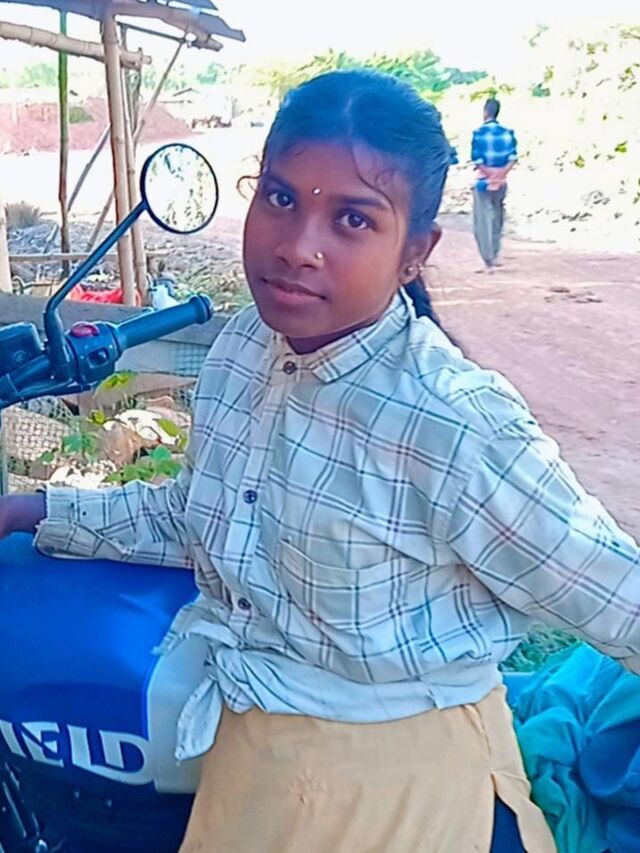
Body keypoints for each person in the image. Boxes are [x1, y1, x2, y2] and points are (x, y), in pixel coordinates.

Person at [0, 69, 639, 853]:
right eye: (279, 198)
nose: (297, 246)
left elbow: (619, 598)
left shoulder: (452, 422)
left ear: (415, 252)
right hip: (252, 761)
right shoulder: (245, 347)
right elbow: (204, 515)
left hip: (400, 790)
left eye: (352, 219)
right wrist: (32, 511)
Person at [471, 97, 518, 273]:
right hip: (501, 180)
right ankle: (495, 253)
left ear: (485, 112)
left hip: (483, 181)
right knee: (497, 217)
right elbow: (512, 158)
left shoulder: (478, 133)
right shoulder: (508, 133)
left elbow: (477, 160)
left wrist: (490, 175)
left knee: (483, 220)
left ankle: (488, 260)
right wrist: (500, 174)